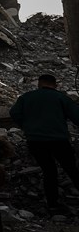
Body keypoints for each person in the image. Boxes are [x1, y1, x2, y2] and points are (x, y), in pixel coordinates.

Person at [9, 74, 79, 212]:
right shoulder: (61, 98)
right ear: (55, 84)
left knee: (49, 171)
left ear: (39, 84)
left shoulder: (26, 97)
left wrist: (26, 126)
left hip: (35, 140)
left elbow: (14, 112)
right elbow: (77, 118)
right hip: (58, 140)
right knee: (72, 169)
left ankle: (52, 204)